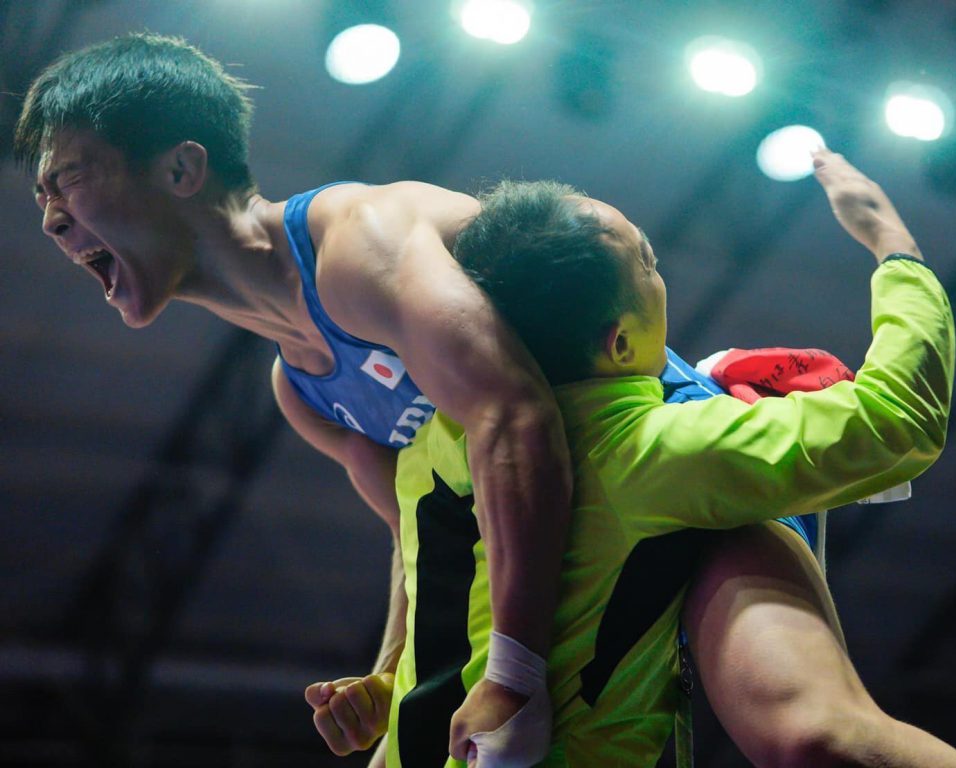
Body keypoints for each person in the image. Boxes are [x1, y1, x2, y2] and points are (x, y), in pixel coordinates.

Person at [14, 32, 571, 762]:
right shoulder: (302, 392)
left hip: (669, 467)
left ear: (181, 168)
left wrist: (514, 673)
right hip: (583, 552)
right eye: (43, 198)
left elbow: (515, 415)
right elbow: (420, 535)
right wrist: (388, 672)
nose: (51, 220)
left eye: (69, 180)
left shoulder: (359, 241)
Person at [381, 163, 956, 767]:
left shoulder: (428, 444)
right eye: (648, 263)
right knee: (823, 735)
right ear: (619, 344)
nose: (656, 270)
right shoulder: (652, 451)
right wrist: (894, 246)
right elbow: (897, 419)